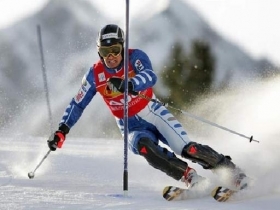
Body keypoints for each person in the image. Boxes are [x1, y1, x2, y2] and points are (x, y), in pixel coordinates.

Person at [47, 24, 247, 190]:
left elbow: (150, 76)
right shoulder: (94, 75)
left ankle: (231, 172)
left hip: (153, 112)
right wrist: (62, 131)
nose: (111, 56)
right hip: (130, 126)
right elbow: (77, 104)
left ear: (123, 47)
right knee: (145, 148)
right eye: (105, 51)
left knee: (188, 149)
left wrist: (129, 84)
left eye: (115, 49)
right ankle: (190, 178)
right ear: (99, 52)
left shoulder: (135, 58)